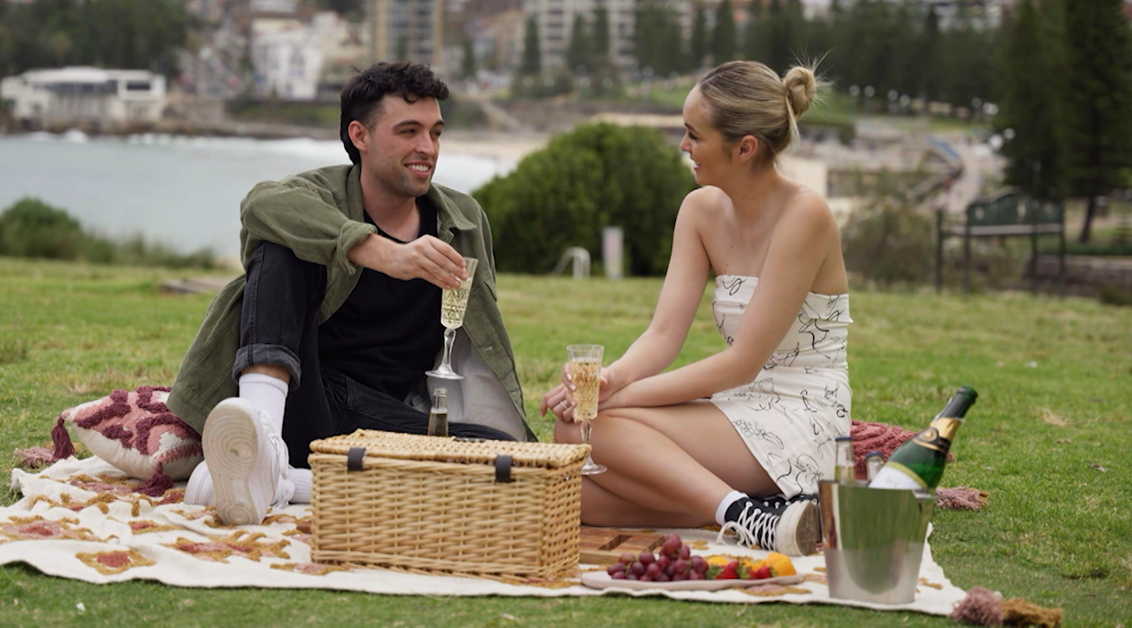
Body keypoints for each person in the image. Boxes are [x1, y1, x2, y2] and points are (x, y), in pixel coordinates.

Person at [169, 62, 534, 526]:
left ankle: (276, 478)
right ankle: (260, 437)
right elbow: (261, 204)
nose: (427, 148)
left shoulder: (462, 220)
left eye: (435, 132)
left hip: (380, 417)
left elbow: (476, 340)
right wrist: (379, 251)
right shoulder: (316, 195)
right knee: (282, 245)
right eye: (408, 131)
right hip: (299, 394)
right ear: (360, 135)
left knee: (499, 456)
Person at [543, 60, 851, 556]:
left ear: (744, 147)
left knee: (585, 428)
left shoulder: (805, 215)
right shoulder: (700, 210)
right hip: (738, 410)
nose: (683, 146)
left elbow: (741, 361)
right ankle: (752, 507)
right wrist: (608, 381)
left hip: (802, 414)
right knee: (573, 481)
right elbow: (664, 334)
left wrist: (613, 402)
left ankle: (745, 516)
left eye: (693, 134)